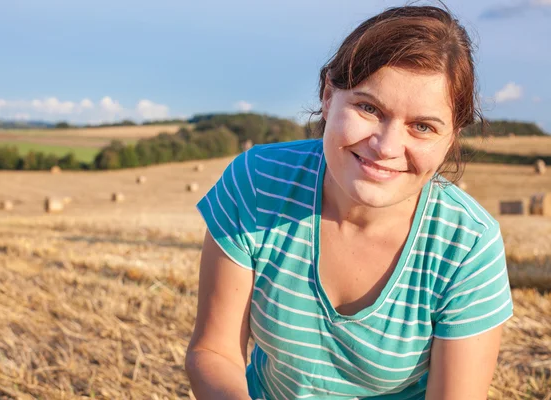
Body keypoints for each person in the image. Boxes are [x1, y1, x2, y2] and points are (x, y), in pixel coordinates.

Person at [185, 5, 513, 400]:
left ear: (452, 138)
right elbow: (215, 352)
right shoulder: (256, 182)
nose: (386, 147)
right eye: (369, 108)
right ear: (328, 96)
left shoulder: (468, 246)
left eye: (422, 126)